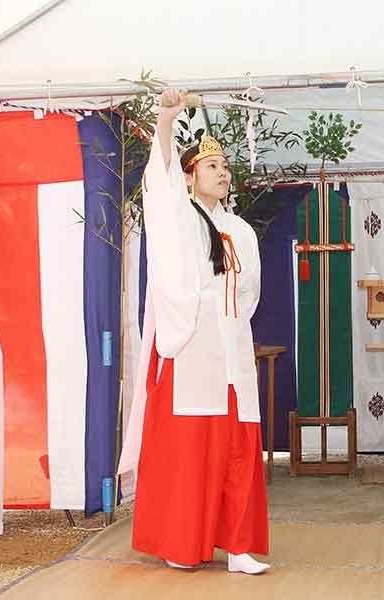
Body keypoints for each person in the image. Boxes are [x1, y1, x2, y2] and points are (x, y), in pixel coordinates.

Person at [116, 88, 270, 574]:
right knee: (191, 452)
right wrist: (166, 118)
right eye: (210, 166)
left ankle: (239, 547)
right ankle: (184, 543)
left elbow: (250, 293)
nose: (222, 172)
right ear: (189, 177)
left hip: (231, 348)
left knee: (239, 447)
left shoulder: (241, 230)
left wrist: (231, 323)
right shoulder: (181, 216)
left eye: (225, 165)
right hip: (192, 351)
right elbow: (158, 185)